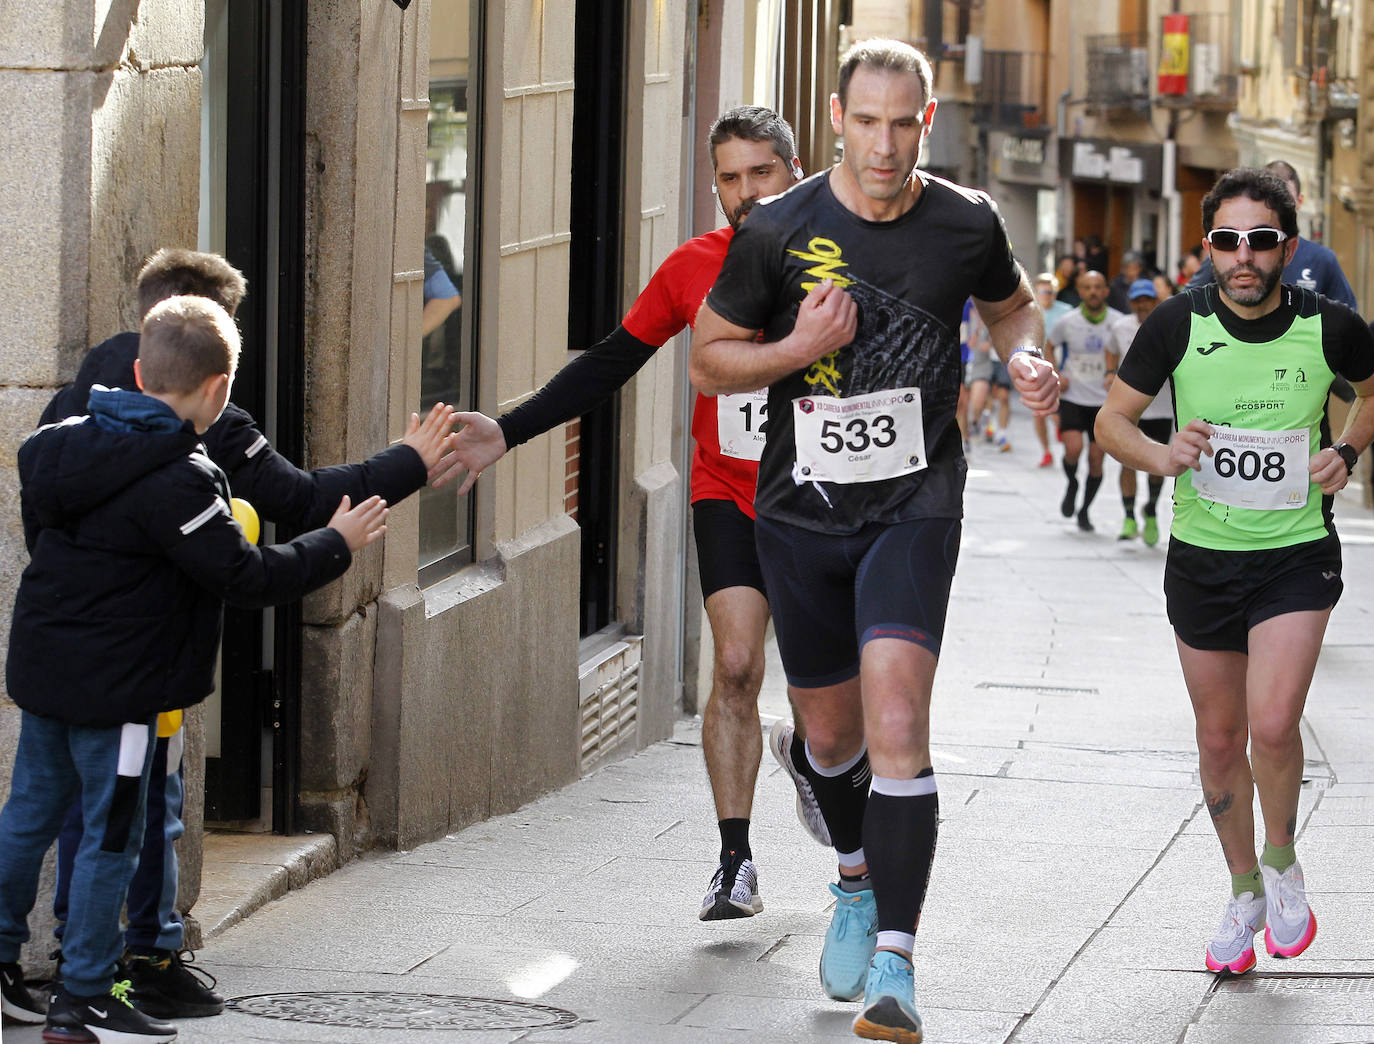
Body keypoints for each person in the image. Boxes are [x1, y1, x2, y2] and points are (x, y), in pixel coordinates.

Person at [689, 39, 1058, 1043]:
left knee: (897, 722)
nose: (885, 144)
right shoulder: (777, 227)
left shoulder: (966, 221)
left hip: (915, 502)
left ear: (926, 121)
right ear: (839, 118)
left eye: (904, 123)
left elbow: (1013, 304)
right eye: (866, 122)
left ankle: (896, 964)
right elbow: (709, 359)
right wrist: (800, 349)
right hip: (801, 515)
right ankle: (852, 872)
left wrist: (1027, 357)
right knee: (831, 738)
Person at [428, 106, 829, 923]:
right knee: (740, 667)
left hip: (826, 498)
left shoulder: (839, 260)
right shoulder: (694, 267)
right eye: (728, 177)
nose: (744, 192)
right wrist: (506, 431)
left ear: (796, 168)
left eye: (761, 172)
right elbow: (613, 360)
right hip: (729, 492)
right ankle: (734, 861)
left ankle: (811, 755)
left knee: (833, 691)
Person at [37, 248, 453, 1021]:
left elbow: (44, 520)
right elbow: (288, 515)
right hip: (142, 666)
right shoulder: (196, 432)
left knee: (58, 814)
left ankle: (67, 965)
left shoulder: (75, 406)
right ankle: (107, 980)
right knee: (129, 816)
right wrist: (404, 470)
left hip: (61, 658)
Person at [1097, 167, 1374, 977]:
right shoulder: (1178, 325)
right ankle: (1244, 888)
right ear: (1209, 247)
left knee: (1275, 724)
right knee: (1219, 737)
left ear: (1287, 247)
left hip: (1296, 556)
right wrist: (1163, 453)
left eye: (1260, 241)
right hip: (1203, 561)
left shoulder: (1330, 327)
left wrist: (1348, 448)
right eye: (1227, 240)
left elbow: (1370, 388)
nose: (1243, 256)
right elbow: (1114, 420)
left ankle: (1283, 862)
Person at [1050, 270, 1124, 531]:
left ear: (1106, 291)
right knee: (1072, 450)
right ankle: (1072, 483)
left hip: (1104, 402)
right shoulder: (1067, 321)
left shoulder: (1118, 322)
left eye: (1098, 286)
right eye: (1087, 287)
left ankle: (1084, 510)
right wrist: (1056, 372)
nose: (1093, 292)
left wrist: (1116, 375)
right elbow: (1048, 344)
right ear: (1080, 292)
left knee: (1096, 459)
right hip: (1073, 397)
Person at [1104, 279, 1170, 545]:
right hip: (1129, 409)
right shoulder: (1120, 327)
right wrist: (1110, 372)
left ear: (1155, 301)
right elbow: (1110, 349)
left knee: (1157, 465)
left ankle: (1151, 510)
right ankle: (1129, 516)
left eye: (1147, 300)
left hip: (1163, 407)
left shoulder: (1168, 325)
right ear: (1131, 302)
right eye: (1138, 300)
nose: (1142, 305)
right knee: (1127, 462)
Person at [1034, 273, 1074, 467]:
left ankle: (1067, 445)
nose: (1046, 295)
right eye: (1042, 291)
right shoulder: (1030, 310)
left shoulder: (1066, 312)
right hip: (1036, 366)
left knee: (1056, 412)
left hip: (1060, 366)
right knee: (1038, 411)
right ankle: (1046, 451)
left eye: (1050, 292)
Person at [963, 303, 1012, 452]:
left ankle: (1001, 434)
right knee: (981, 400)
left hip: (1001, 358)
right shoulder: (973, 306)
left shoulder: (1005, 303)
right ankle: (980, 423)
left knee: (1003, 396)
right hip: (982, 361)